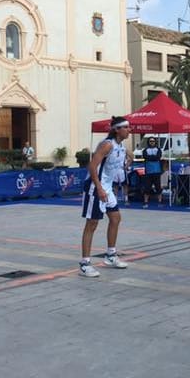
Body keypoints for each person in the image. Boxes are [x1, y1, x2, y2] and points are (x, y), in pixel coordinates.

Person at [79, 116, 131, 277]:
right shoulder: (106, 145)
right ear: (117, 129)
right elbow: (92, 166)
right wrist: (100, 188)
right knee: (92, 223)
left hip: (107, 187)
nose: (130, 130)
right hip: (96, 187)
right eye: (126, 127)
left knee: (115, 218)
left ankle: (110, 255)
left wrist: (129, 160)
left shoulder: (120, 146)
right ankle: (85, 263)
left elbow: (117, 165)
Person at [141, 137, 163, 208]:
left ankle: (160, 201)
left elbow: (158, 157)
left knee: (158, 187)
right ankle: (145, 201)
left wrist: (151, 158)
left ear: (155, 142)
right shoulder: (145, 150)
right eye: (150, 141)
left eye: (153, 141)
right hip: (148, 171)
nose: (152, 142)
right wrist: (153, 157)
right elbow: (145, 157)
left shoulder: (158, 149)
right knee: (147, 187)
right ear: (148, 142)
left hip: (157, 171)